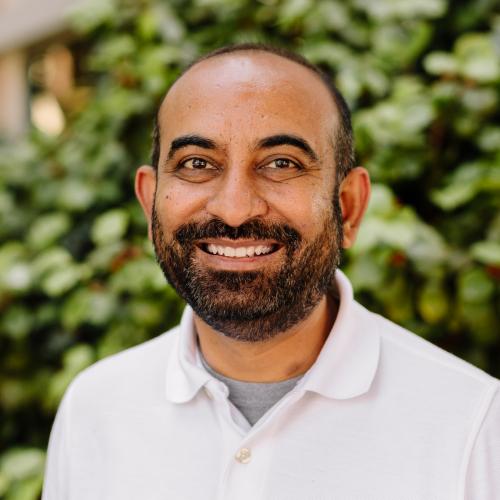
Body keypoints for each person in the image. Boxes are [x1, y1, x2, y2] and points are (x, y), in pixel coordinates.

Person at [42, 43, 500, 500]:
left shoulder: (473, 424)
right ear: (150, 204)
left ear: (348, 207)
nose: (235, 209)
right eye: (197, 164)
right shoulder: (94, 411)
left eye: (282, 163)